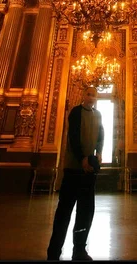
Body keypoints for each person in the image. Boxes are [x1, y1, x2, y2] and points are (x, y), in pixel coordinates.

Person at [47, 86, 104, 262]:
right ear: (83, 95)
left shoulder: (98, 115)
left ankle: (79, 250)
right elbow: (73, 136)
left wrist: (99, 152)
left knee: (85, 213)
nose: (91, 97)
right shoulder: (75, 112)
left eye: (94, 95)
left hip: (88, 172)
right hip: (73, 169)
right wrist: (82, 159)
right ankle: (54, 252)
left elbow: (101, 134)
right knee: (64, 211)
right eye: (88, 94)